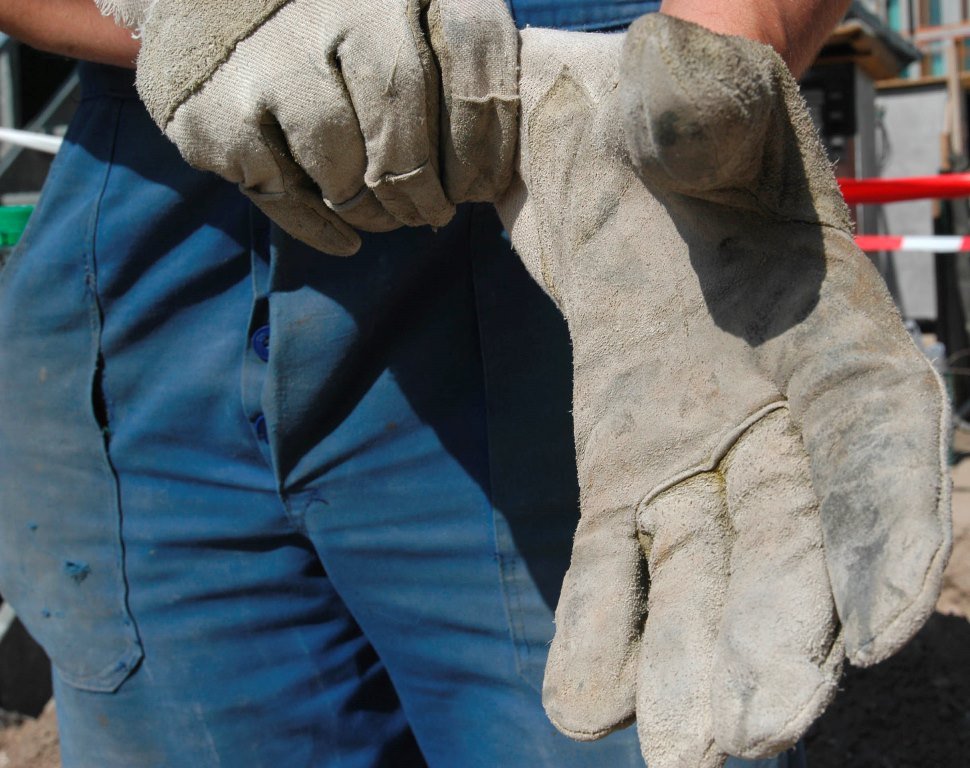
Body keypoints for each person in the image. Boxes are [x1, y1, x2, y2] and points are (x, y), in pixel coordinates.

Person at [0, 1, 945, 766]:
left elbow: (711, 62)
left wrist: (717, 68)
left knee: (642, 694)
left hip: (571, 167)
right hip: (159, 188)